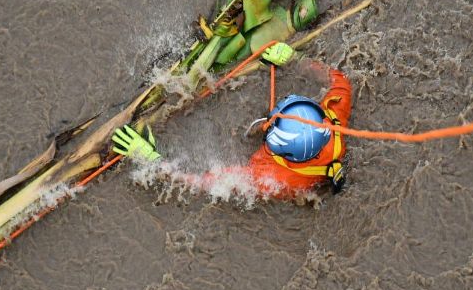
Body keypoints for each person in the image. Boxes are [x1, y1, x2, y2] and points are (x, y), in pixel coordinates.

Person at [112, 43, 352, 201]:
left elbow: (201, 182)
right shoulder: (333, 118)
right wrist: (296, 59)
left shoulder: (270, 179)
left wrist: (153, 161)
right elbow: (339, 82)